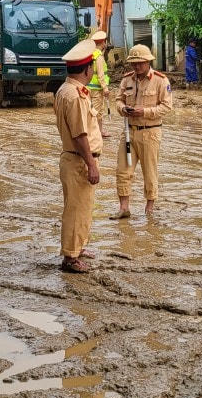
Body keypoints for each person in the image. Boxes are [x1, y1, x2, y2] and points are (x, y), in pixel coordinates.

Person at [53, 38, 103, 273]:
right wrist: (91, 164)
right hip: (79, 159)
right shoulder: (74, 96)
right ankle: (70, 258)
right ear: (87, 70)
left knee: (82, 207)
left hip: (75, 158)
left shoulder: (67, 90)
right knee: (75, 210)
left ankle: (78, 246)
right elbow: (80, 134)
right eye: (91, 67)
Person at [113, 43, 173, 219]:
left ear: (148, 62)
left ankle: (150, 209)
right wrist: (122, 108)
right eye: (133, 63)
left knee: (149, 172)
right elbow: (118, 100)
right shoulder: (127, 79)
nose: (136, 66)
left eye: (140, 63)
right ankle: (124, 208)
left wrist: (145, 112)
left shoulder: (161, 80)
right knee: (123, 171)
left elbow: (167, 106)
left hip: (150, 132)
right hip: (128, 131)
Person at [87, 28, 111, 139]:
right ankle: (95, 133)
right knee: (97, 112)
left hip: (89, 88)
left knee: (94, 111)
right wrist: (105, 88)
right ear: (103, 42)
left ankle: (98, 131)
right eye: (105, 41)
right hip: (97, 89)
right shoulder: (99, 57)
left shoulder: (91, 54)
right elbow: (101, 75)